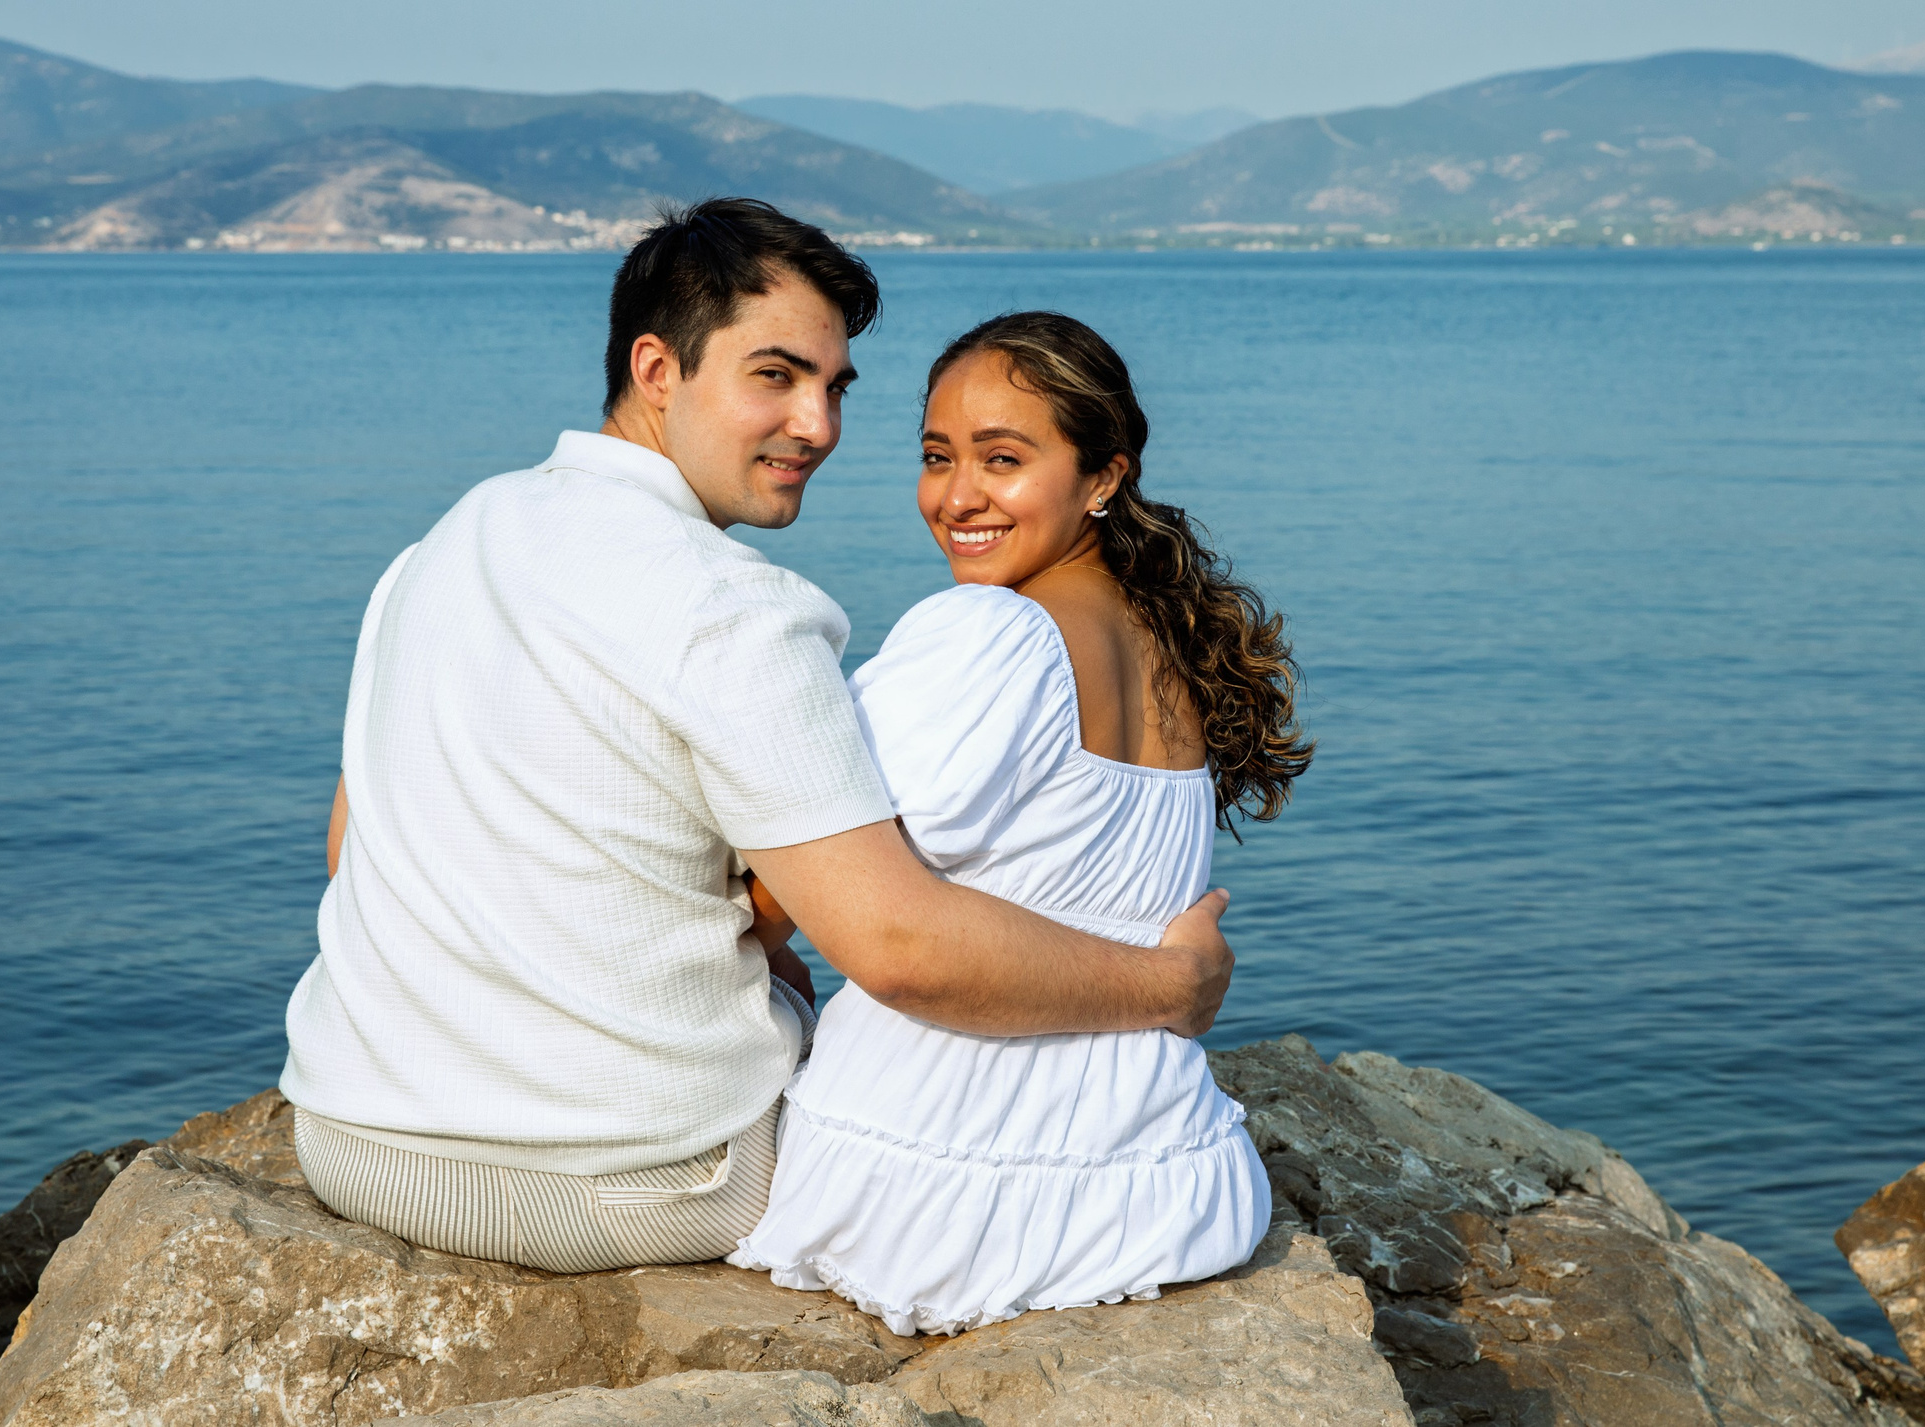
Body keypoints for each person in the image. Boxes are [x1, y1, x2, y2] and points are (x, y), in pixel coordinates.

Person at [279, 201, 1237, 1272]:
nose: (819, 426)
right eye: (774, 377)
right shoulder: (738, 610)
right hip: (636, 1188)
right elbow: (900, 948)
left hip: (350, 1136)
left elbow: (352, 858)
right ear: (656, 369)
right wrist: (1168, 987)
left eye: (833, 388)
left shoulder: (436, 550)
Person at [729, 310, 1311, 1334]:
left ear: (1102, 477)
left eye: (1003, 459)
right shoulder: (1166, 640)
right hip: (1163, 1186)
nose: (957, 496)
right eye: (936, 457)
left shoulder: (988, 633)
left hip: (937, 1193)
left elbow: (790, 885)